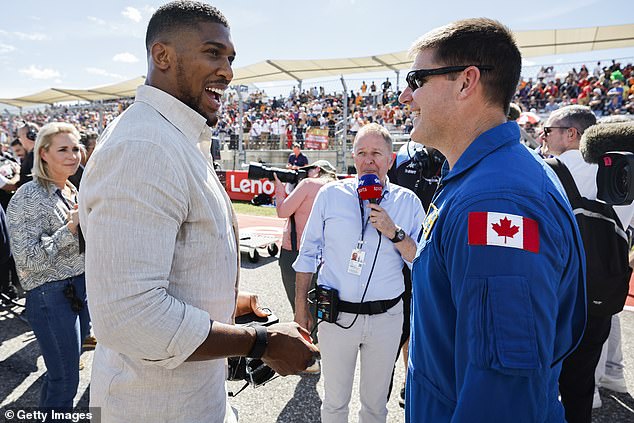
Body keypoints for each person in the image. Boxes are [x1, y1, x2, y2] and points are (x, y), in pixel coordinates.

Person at [78, 2, 317, 422]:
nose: (227, 70)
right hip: (151, 409)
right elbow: (130, 315)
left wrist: (221, 300)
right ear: (162, 56)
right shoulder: (144, 147)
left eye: (230, 58)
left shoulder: (172, 136)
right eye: (212, 52)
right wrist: (259, 342)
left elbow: (164, 269)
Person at [398, 18, 586, 422]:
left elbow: (503, 392)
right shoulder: (484, 178)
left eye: (417, 79)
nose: (405, 96)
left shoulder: (495, 200)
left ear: (467, 82)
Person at [294, 123, 425, 423]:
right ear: (353, 158)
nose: (369, 160)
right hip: (336, 317)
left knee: (375, 406)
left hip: (387, 319)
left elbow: (421, 260)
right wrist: (301, 309)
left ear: (391, 160)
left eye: (376, 153)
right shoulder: (331, 195)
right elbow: (308, 254)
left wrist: (394, 233)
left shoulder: (408, 202)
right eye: (362, 153)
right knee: (335, 403)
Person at [539, 107, 634, 422]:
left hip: (555, 293)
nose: (543, 135)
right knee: (580, 385)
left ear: (572, 134)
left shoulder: (547, 170)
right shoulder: (624, 174)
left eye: (549, 129)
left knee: (542, 382)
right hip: (601, 295)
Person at [6, 122, 90, 408]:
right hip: (50, 296)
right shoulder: (27, 195)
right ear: (43, 154)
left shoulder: (72, 190)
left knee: (63, 377)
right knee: (65, 381)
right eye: (63, 149)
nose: (73, 155)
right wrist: (70, 229)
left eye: (76, 148)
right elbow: (28, 262)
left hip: (78, 292)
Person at [16, 121, 38, 187]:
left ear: (30, 135)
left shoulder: (36, 155)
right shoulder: (34, 154)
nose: (19, 140)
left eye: (20, 137)